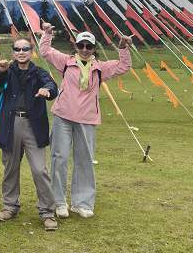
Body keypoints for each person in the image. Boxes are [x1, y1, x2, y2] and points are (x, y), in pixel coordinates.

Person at [39, 22, 132, 219]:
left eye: (88, 46)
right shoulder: (66, 61)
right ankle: (59, 201)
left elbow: (124, 66)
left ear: (94, 49)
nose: (84, 50)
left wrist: (123, 48)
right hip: (63, 116)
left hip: (87, 120)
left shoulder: (101, 68)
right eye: (81, 45)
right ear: (76, 46)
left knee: (84, 161)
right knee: (59, 158)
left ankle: (82, 203)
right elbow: (45, 51)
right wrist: (47, 33)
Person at [0, 37, 59, 231]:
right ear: (13, 52)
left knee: (39, 169)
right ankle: (10, 206)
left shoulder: (39, 73)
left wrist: (47, 90)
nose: (21, 52)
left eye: (25, 49)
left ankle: (47, 212)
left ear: (31, 51)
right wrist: (0, 71)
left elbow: (52, 86)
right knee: (10, 167)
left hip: (33, 125)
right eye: (17, 49)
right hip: (10, 124)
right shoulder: (7, 71)